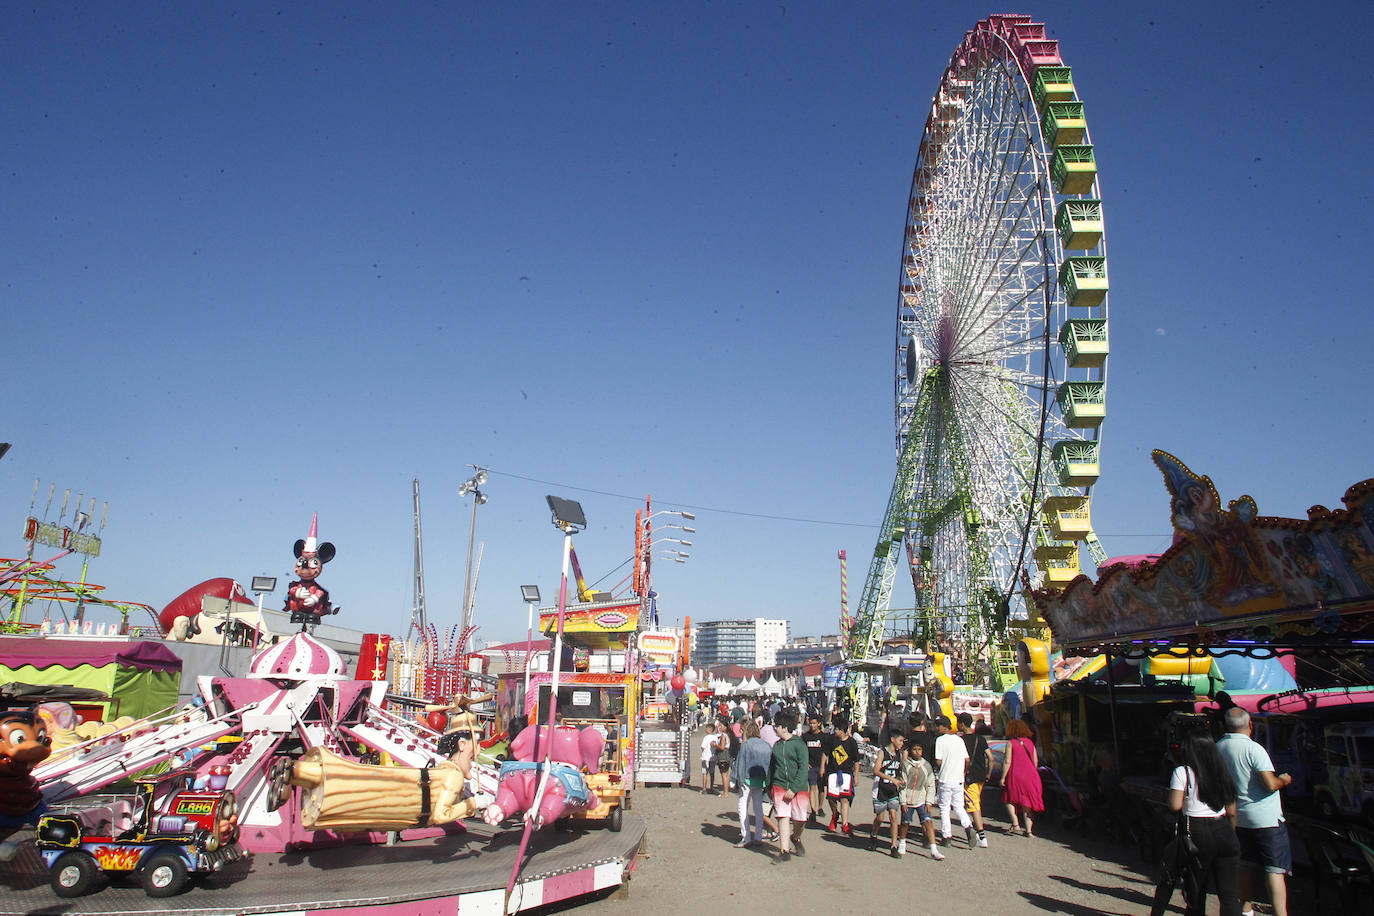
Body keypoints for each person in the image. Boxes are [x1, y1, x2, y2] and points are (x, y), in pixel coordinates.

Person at [1217, 707, 1292, 916]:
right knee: (1274, 871)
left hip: (1238, 818)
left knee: (1245, 866)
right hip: (1266, 818)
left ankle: (1245, 909)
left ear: (1225, 726)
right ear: (1250, 725)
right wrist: (1284, 780)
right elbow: (1269, 783)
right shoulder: (1254, 749)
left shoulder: (1218, 748)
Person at [1168, 733, 1241, 916]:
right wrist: (1230, 833)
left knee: (1196, 890)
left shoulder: (1182, 772)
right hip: (1224, 830)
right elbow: (1232, 811)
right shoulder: (1223, 771)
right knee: (1229, 894)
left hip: (1197, 830)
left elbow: (1175, 805)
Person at [768, 709, 810, 861]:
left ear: (784, 728)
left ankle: (796, 837)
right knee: (782, 817)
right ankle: (784, 851)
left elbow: (803, 767)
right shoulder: (777, 746)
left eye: (777, 727)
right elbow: (772, 767)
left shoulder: (799, 745)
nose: (775, 729)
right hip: (779, 785)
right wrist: (769, 786)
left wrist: (794, 788)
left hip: (798, 787)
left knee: (801, 819)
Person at [932, 715, 973, 847]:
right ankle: (968, 826)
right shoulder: (959, 740)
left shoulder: (940, 740)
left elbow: (938, 760)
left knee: (944, 808)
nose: (937, 728)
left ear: (945, 727)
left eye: (938, 725)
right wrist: (963, 772)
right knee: (958, 806)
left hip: (945, 778)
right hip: (958, 779)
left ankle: (946, 836)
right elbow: (967, 760)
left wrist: (941, 765)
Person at [900, 734, 942, 859]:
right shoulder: (906, 765)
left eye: (919, 750)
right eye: (914, 749)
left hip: (921, 800)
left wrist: (929, 802)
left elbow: (930, 785)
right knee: (905, 823)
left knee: (928, 822)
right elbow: (902, 784)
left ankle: (934, 849)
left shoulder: (926, 766)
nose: (917, 752)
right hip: (908, 799)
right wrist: (903, 802)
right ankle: (902, 843)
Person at [1000, 718, 1043, 837]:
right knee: (1027, 802)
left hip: (1015, 774)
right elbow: (1035, 761)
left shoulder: (1011, 743)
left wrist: (1003, 777)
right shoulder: (1030, 743)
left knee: (1009, 798)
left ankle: (1015, 824)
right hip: (1031, 775)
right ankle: (1029, 831)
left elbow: (1007, 761)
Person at [733, 720, 772, 847]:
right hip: (761, 779)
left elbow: (740, 763)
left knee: (743, 806)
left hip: (747, 777)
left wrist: (735, 779)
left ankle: (746, 837)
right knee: (758, 808)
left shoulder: (746, 745)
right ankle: (758, 836)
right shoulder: (766, 745)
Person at [957, 712, 992, 848]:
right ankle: (978, 832)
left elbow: (964, 760)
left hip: (969, 777)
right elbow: (991, 758)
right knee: (975, 802)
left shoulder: (961, 740)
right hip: (981, 776)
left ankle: (981, 835)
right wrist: (989, 773)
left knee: (973, 805)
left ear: (962, 724)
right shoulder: (981, 739)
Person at [870, 730, 906, 857]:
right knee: (880, 818)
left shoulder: (900, 755)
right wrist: (892, 779)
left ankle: (893, 846)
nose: (902, 743)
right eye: (900, 740)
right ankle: (874, 835)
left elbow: (900, 771)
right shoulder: (882, 753)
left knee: (893, 816)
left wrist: (901, 781)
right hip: (880, 788)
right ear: (893, 739)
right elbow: (876, 770)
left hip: (893, 790)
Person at [822, 716, 860, 835]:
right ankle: (834, 814)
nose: (835, 731)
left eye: (837, 729)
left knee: (845, 799)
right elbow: (825, 754)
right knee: (832, 798)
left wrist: (857, 776)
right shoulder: (831, 740)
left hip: (846, 773)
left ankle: (845, 824)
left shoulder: (852, 742)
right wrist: (822, 767)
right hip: (832, 772)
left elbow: (857, 761)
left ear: (842, 730)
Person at [803, 714, 831, 821]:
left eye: (814, 723)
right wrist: (805, 762)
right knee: (812, 787)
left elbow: (826, 752)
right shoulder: (805, 736)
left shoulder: (824, 737)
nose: (812, 725)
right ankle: (813, 811)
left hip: (822, 766)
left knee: (821, 788)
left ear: (819, 724)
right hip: (811, 766)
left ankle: (820, 807)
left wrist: (824, 765)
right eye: (810, 723)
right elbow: (802, 750)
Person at [700, 721, 724, 794]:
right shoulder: (715, 737)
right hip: (713, 757)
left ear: (709, 729)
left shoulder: (706, 737)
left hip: (705, 757)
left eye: (707, 728)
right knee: (712, 773)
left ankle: (704, 788)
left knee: (704, 773)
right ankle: (711, 787)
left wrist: (704, 750)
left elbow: (702, 747)